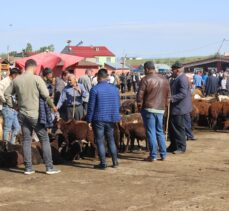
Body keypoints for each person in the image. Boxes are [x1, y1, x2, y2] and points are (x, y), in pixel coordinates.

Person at [4, 59, 61, 175]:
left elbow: (6, 94)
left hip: (22, 115)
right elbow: (46, 95)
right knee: (44, 139)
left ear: (25, 67)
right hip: (35, 115)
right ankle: (49, 167)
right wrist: (53, 106)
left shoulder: (17, 80)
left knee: (26, 140)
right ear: (34, 67)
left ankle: (28, 168)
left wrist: (14, 106)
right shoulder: (37, 79)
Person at [87, 68, 120, 170]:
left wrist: (88, 120)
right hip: (111, 118)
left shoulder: (95, 89)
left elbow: (91, 107)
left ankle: (103, 163)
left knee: (100, 141)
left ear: (98, 77)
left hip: (99, 119)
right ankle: (115, 161)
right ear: (106, 77)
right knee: (111, 140)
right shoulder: (115, 89)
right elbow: (118, 104)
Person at [137, 61, 170, 161]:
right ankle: (163, 155)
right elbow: (169, 96)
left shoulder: (145, 79)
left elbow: (139, 96)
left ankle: (153, 155)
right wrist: (165, 106)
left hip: (148, 109)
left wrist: (139, 106)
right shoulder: (164, 79)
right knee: (160, 131)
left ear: (147, 69)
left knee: (151, 132)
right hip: (160, 109)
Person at [167, 61, 192, 154]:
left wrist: (171, 98)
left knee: (178, 128)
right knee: (172, 128)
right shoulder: (176, 78)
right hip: (176, 107)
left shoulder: (182, 79)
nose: (171, 72)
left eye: (172, 70)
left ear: (177, 70)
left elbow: (183, 94)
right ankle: (173, 145)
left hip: (180, 108)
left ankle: (181, 147)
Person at [0, 68, 21, 145]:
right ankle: (5, 147)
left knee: (17, 128)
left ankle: (11, 145)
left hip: (13, 108)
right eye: (18, 76)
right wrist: (5, 100)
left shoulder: (13, 82)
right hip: (7, 107)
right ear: (14, 75)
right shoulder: (4, 81)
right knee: (7, 128)